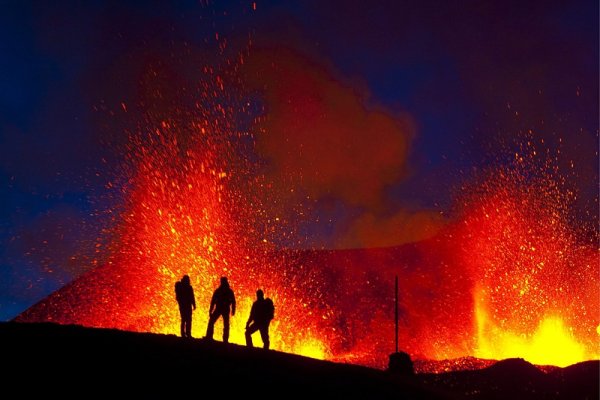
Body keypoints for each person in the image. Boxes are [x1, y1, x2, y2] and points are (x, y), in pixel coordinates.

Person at [205, 276, 236, 343]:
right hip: (223, 308)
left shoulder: (220, 290)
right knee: (225, 324)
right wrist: (233, 310)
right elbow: (213, 300)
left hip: (220, 308)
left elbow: (213, 300)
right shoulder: (227, 291)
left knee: (213, 322)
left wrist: (211, 310)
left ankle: (209, 337)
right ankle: (224, 340)